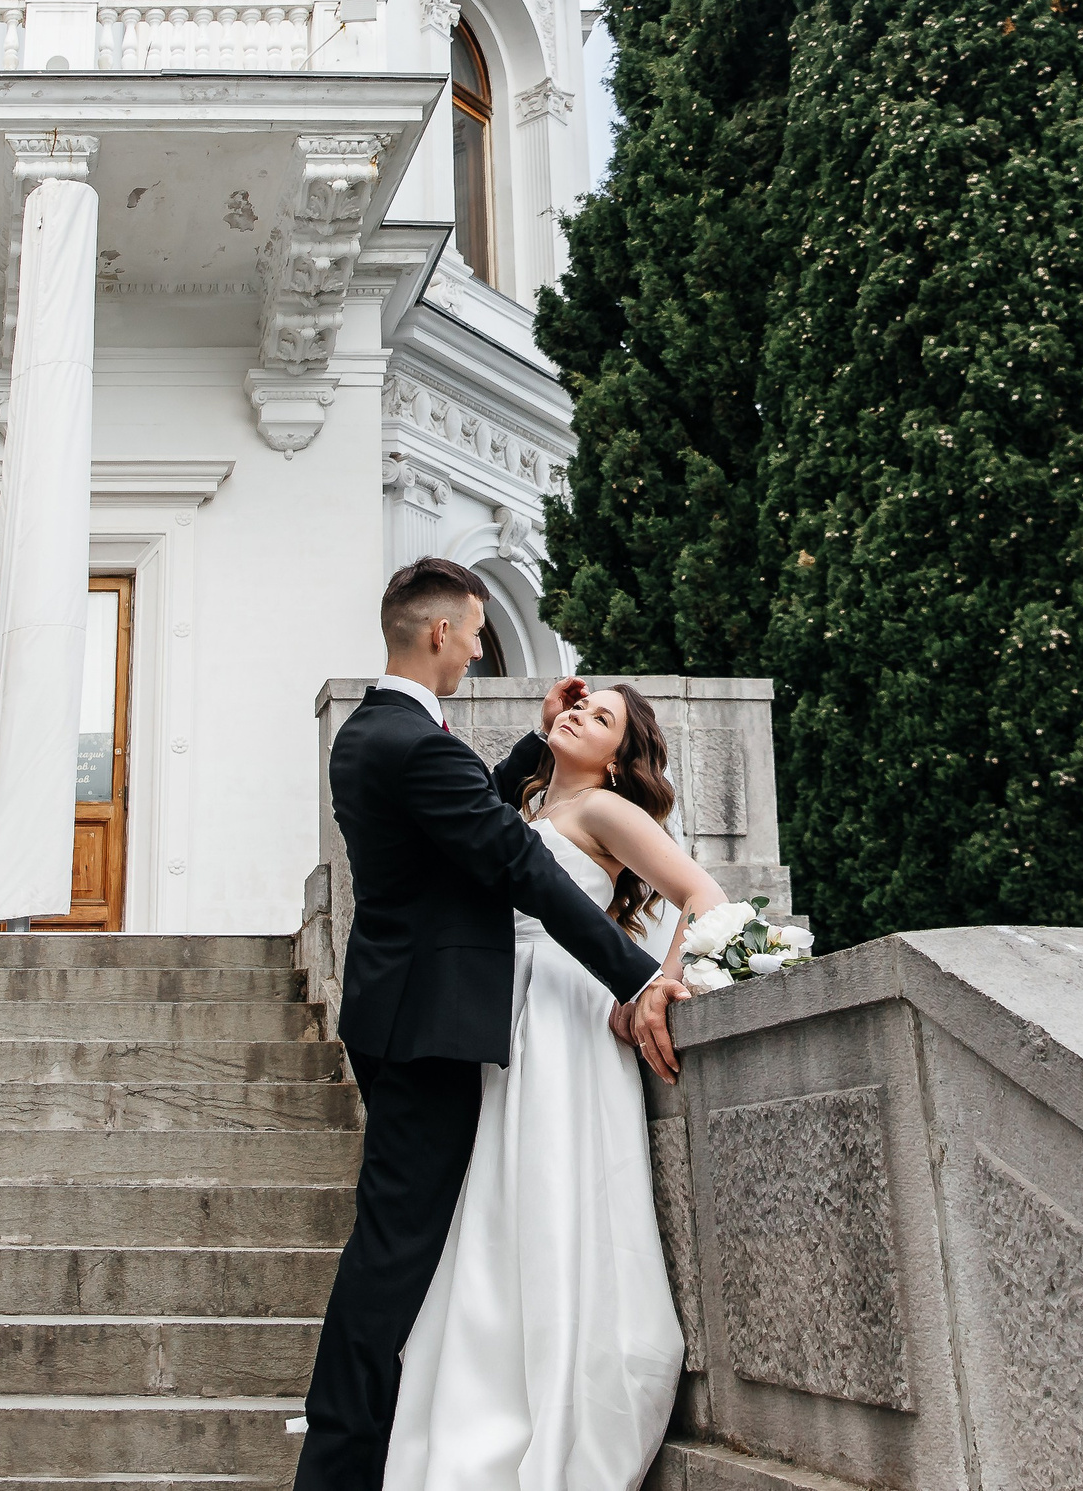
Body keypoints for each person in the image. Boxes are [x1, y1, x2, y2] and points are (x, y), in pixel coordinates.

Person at [295, 559, 689, 1491]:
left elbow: (472, 807)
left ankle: (368, 1444)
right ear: (438, 634)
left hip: (405, 1014)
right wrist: (637, 979)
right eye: (475, 631)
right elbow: (518, 860)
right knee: (390, 1259)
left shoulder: (378, 731)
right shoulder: (412, 742)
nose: (480, 647)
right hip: (429, 1026)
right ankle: (336, 1468)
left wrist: (528, 747)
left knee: (399, 1251)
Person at [382, 679, 716, 1491]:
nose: (578, 714)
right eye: (578, 704)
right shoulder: (524, 806)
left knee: (553, 1194)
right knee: (501, 1206)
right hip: (507, 1020)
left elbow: (702, 897)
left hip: (566, 1018)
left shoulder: (604, 811)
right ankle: (484, 1412)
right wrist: (542, 733)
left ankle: (561, 1408)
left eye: (602, 718)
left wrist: (656, 989)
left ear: (620, 755)